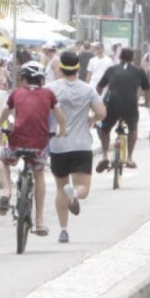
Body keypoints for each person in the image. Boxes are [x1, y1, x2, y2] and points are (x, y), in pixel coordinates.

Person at [0, 61, 67, 237]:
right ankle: (40, 222)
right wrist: (61, 132)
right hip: (39, 144)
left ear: (23, 79)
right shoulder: (49, 94)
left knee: (3, 160)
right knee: (39, 174)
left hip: (17, 142)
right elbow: (61, 118)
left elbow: (4, 116)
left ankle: (7, 191)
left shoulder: (16, 93)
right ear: (41, 80)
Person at [49, 51, 106, 244]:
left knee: (60, 187)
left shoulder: (51, 89)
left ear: (60, 68)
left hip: (58, 144)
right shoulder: (88, 90)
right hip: (81, 144)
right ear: (78, 68)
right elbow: (101, 112)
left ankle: (63, 230)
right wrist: (92, 119)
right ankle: (74, 194)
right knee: (83, 187)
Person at [95, 47, 149, 172]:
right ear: (133, 58)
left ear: (119, 58)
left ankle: (104, 155)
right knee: (133, 129)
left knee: (105, 129)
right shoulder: (139, 71)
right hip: (130, 104)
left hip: (113, 103)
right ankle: (129, 157)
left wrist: (100, 100)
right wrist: (147, 103)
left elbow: (99, 87)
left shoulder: (111, 70)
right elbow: (147, 90)